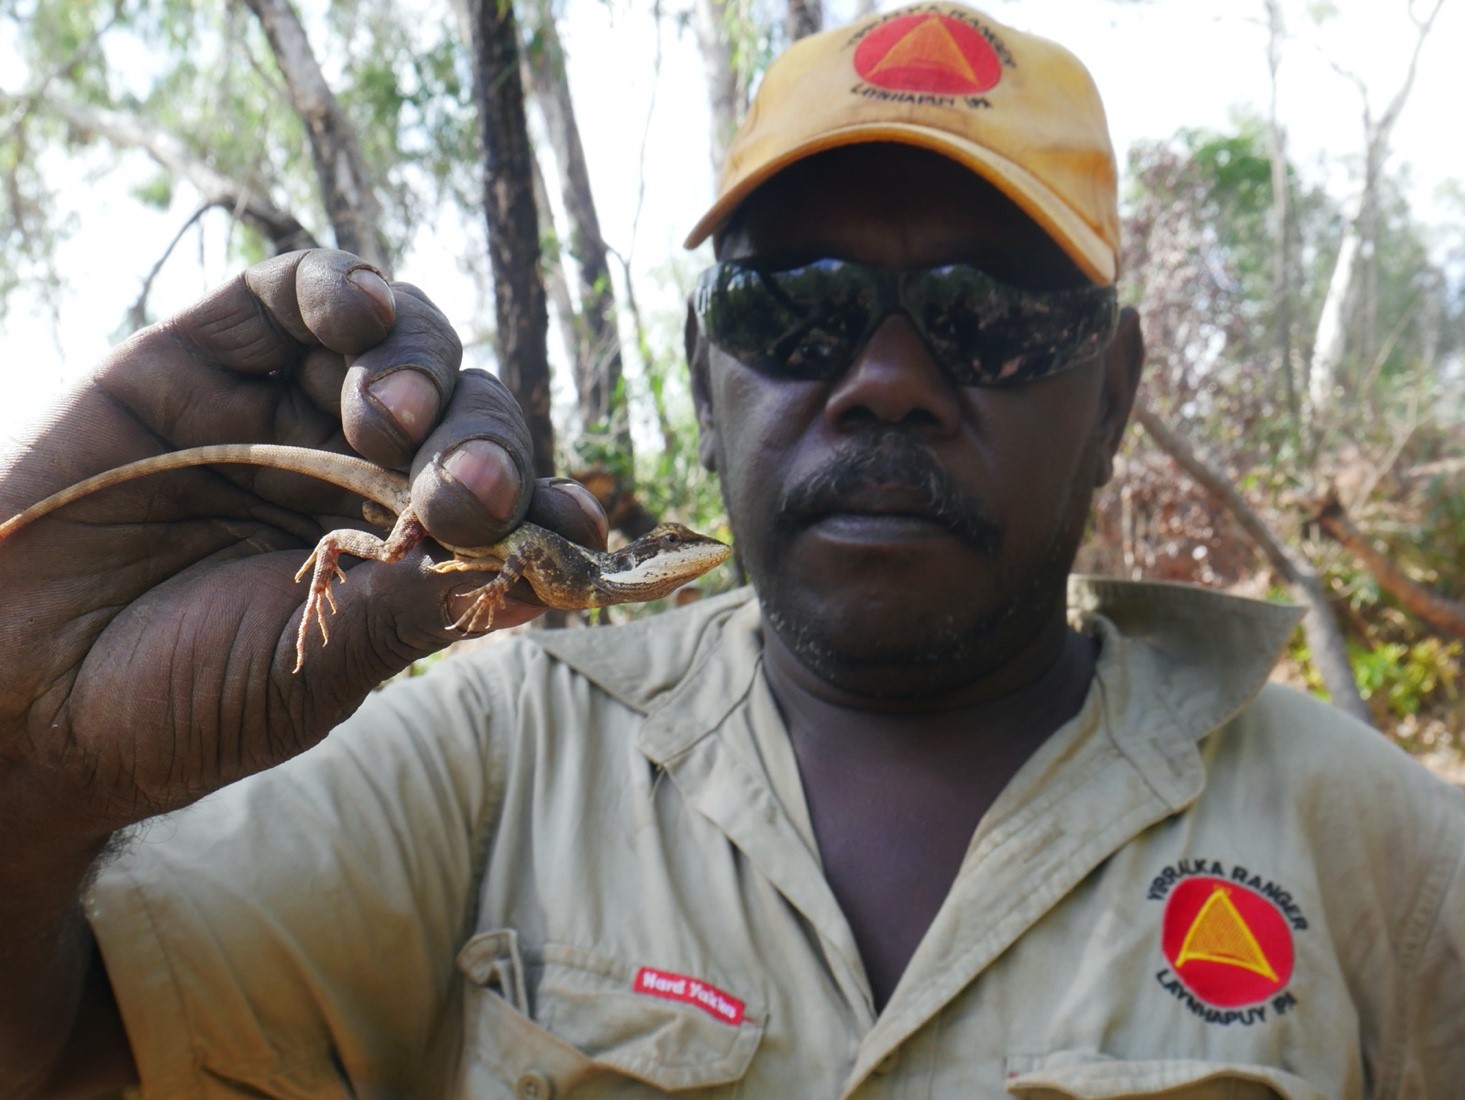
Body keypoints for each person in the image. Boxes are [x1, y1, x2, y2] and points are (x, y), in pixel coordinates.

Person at [1, 3, 1460, 1096]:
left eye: (986, 309)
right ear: (707, 369)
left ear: (1119, 385)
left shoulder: (1375, 848)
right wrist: (34, 760)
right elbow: (68, 1040)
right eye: (795, 304)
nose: (884, 377)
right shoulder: (490, 752)